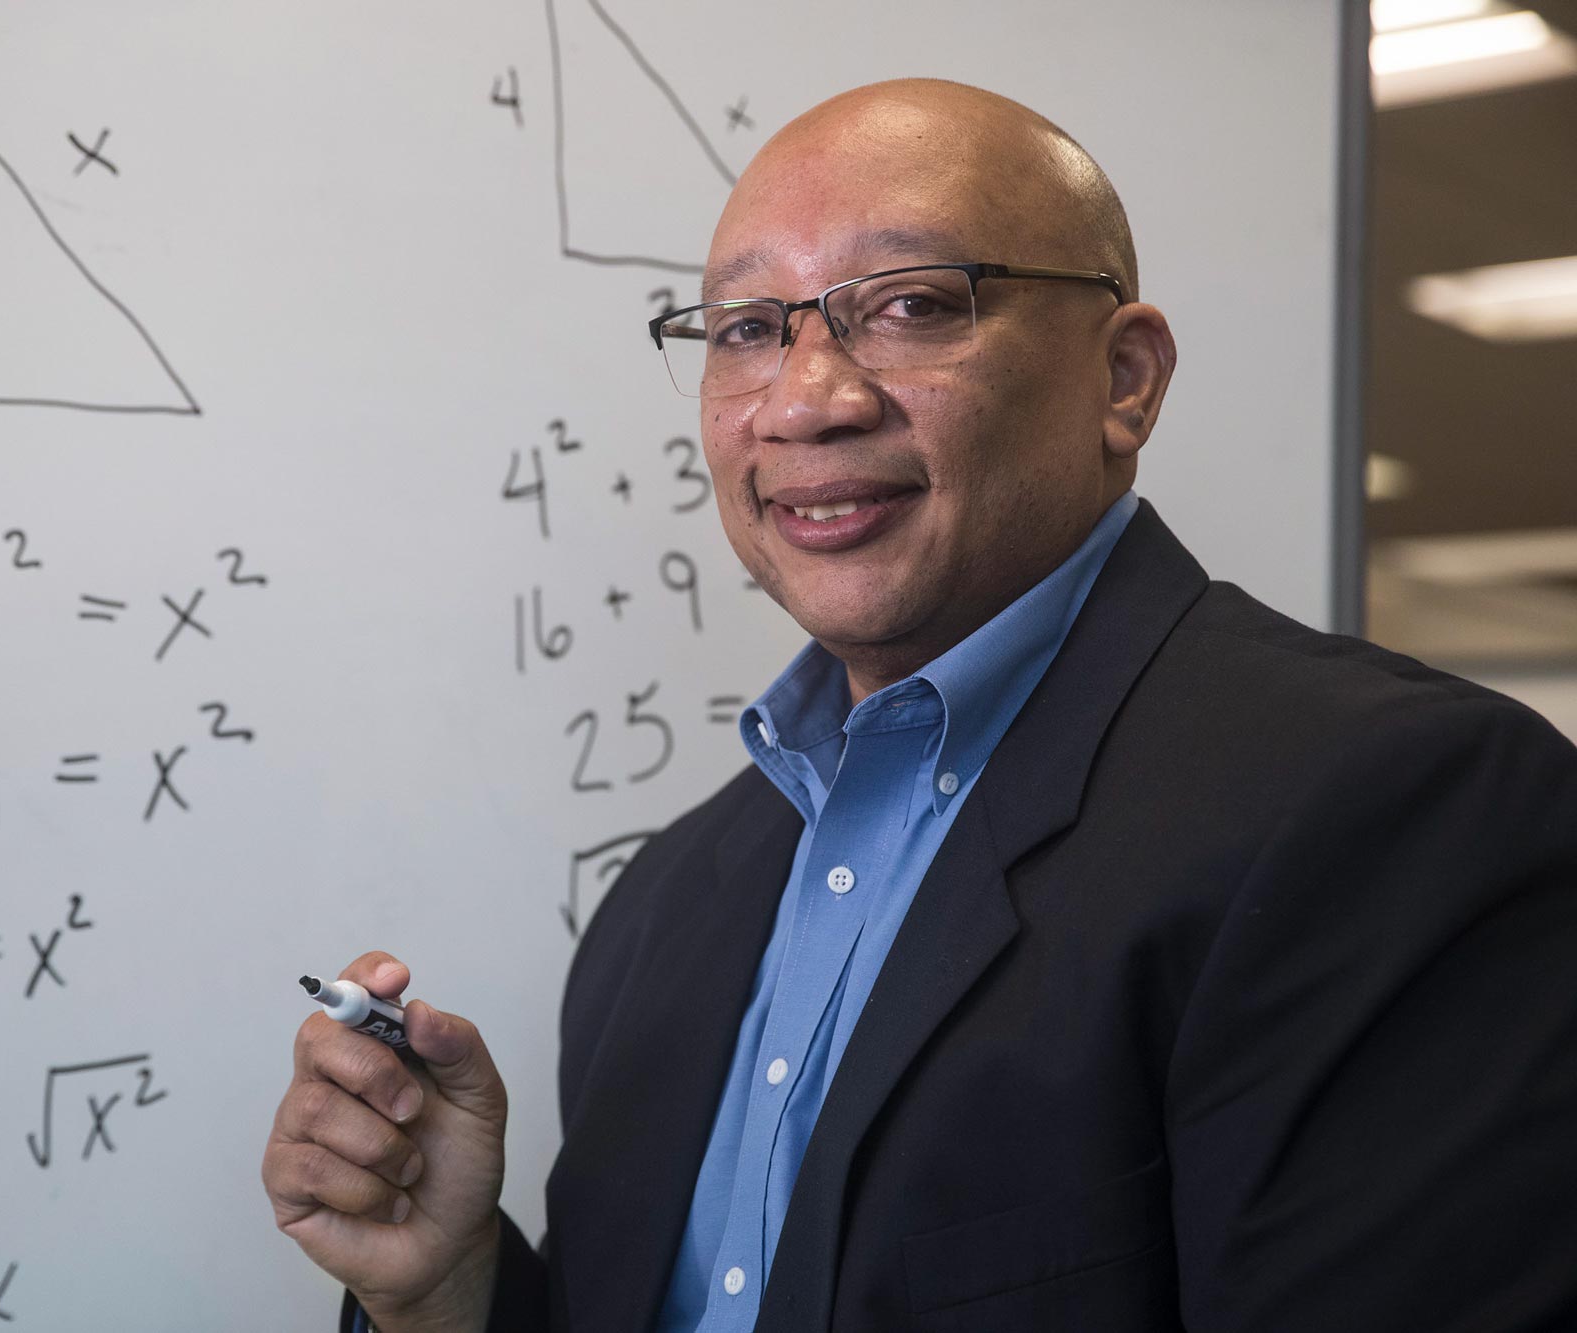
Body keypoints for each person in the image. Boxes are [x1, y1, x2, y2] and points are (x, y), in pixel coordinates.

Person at [262, 79, 1577, 1332]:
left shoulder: (1397, 810)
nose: (808, 398)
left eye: (906, 305)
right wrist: (454, 1287)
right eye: (744, 330)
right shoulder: (665, 905)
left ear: (1127, 378)